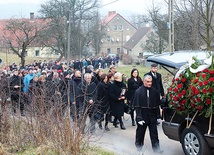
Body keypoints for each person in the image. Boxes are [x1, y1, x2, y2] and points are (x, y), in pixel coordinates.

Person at [131, 75, 163, 154]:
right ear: (144, 81)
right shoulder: (138, 92)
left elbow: (156, 106)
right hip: (142, 115)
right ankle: (139, 147)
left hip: (152, 116)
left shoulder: (154, 92)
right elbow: (137, 107)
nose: (149, 83)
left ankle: (157, 149)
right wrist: (139, 118)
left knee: (154, 134)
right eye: (148, 82)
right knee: (140, 133)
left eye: (151, 82)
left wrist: (158, 116)